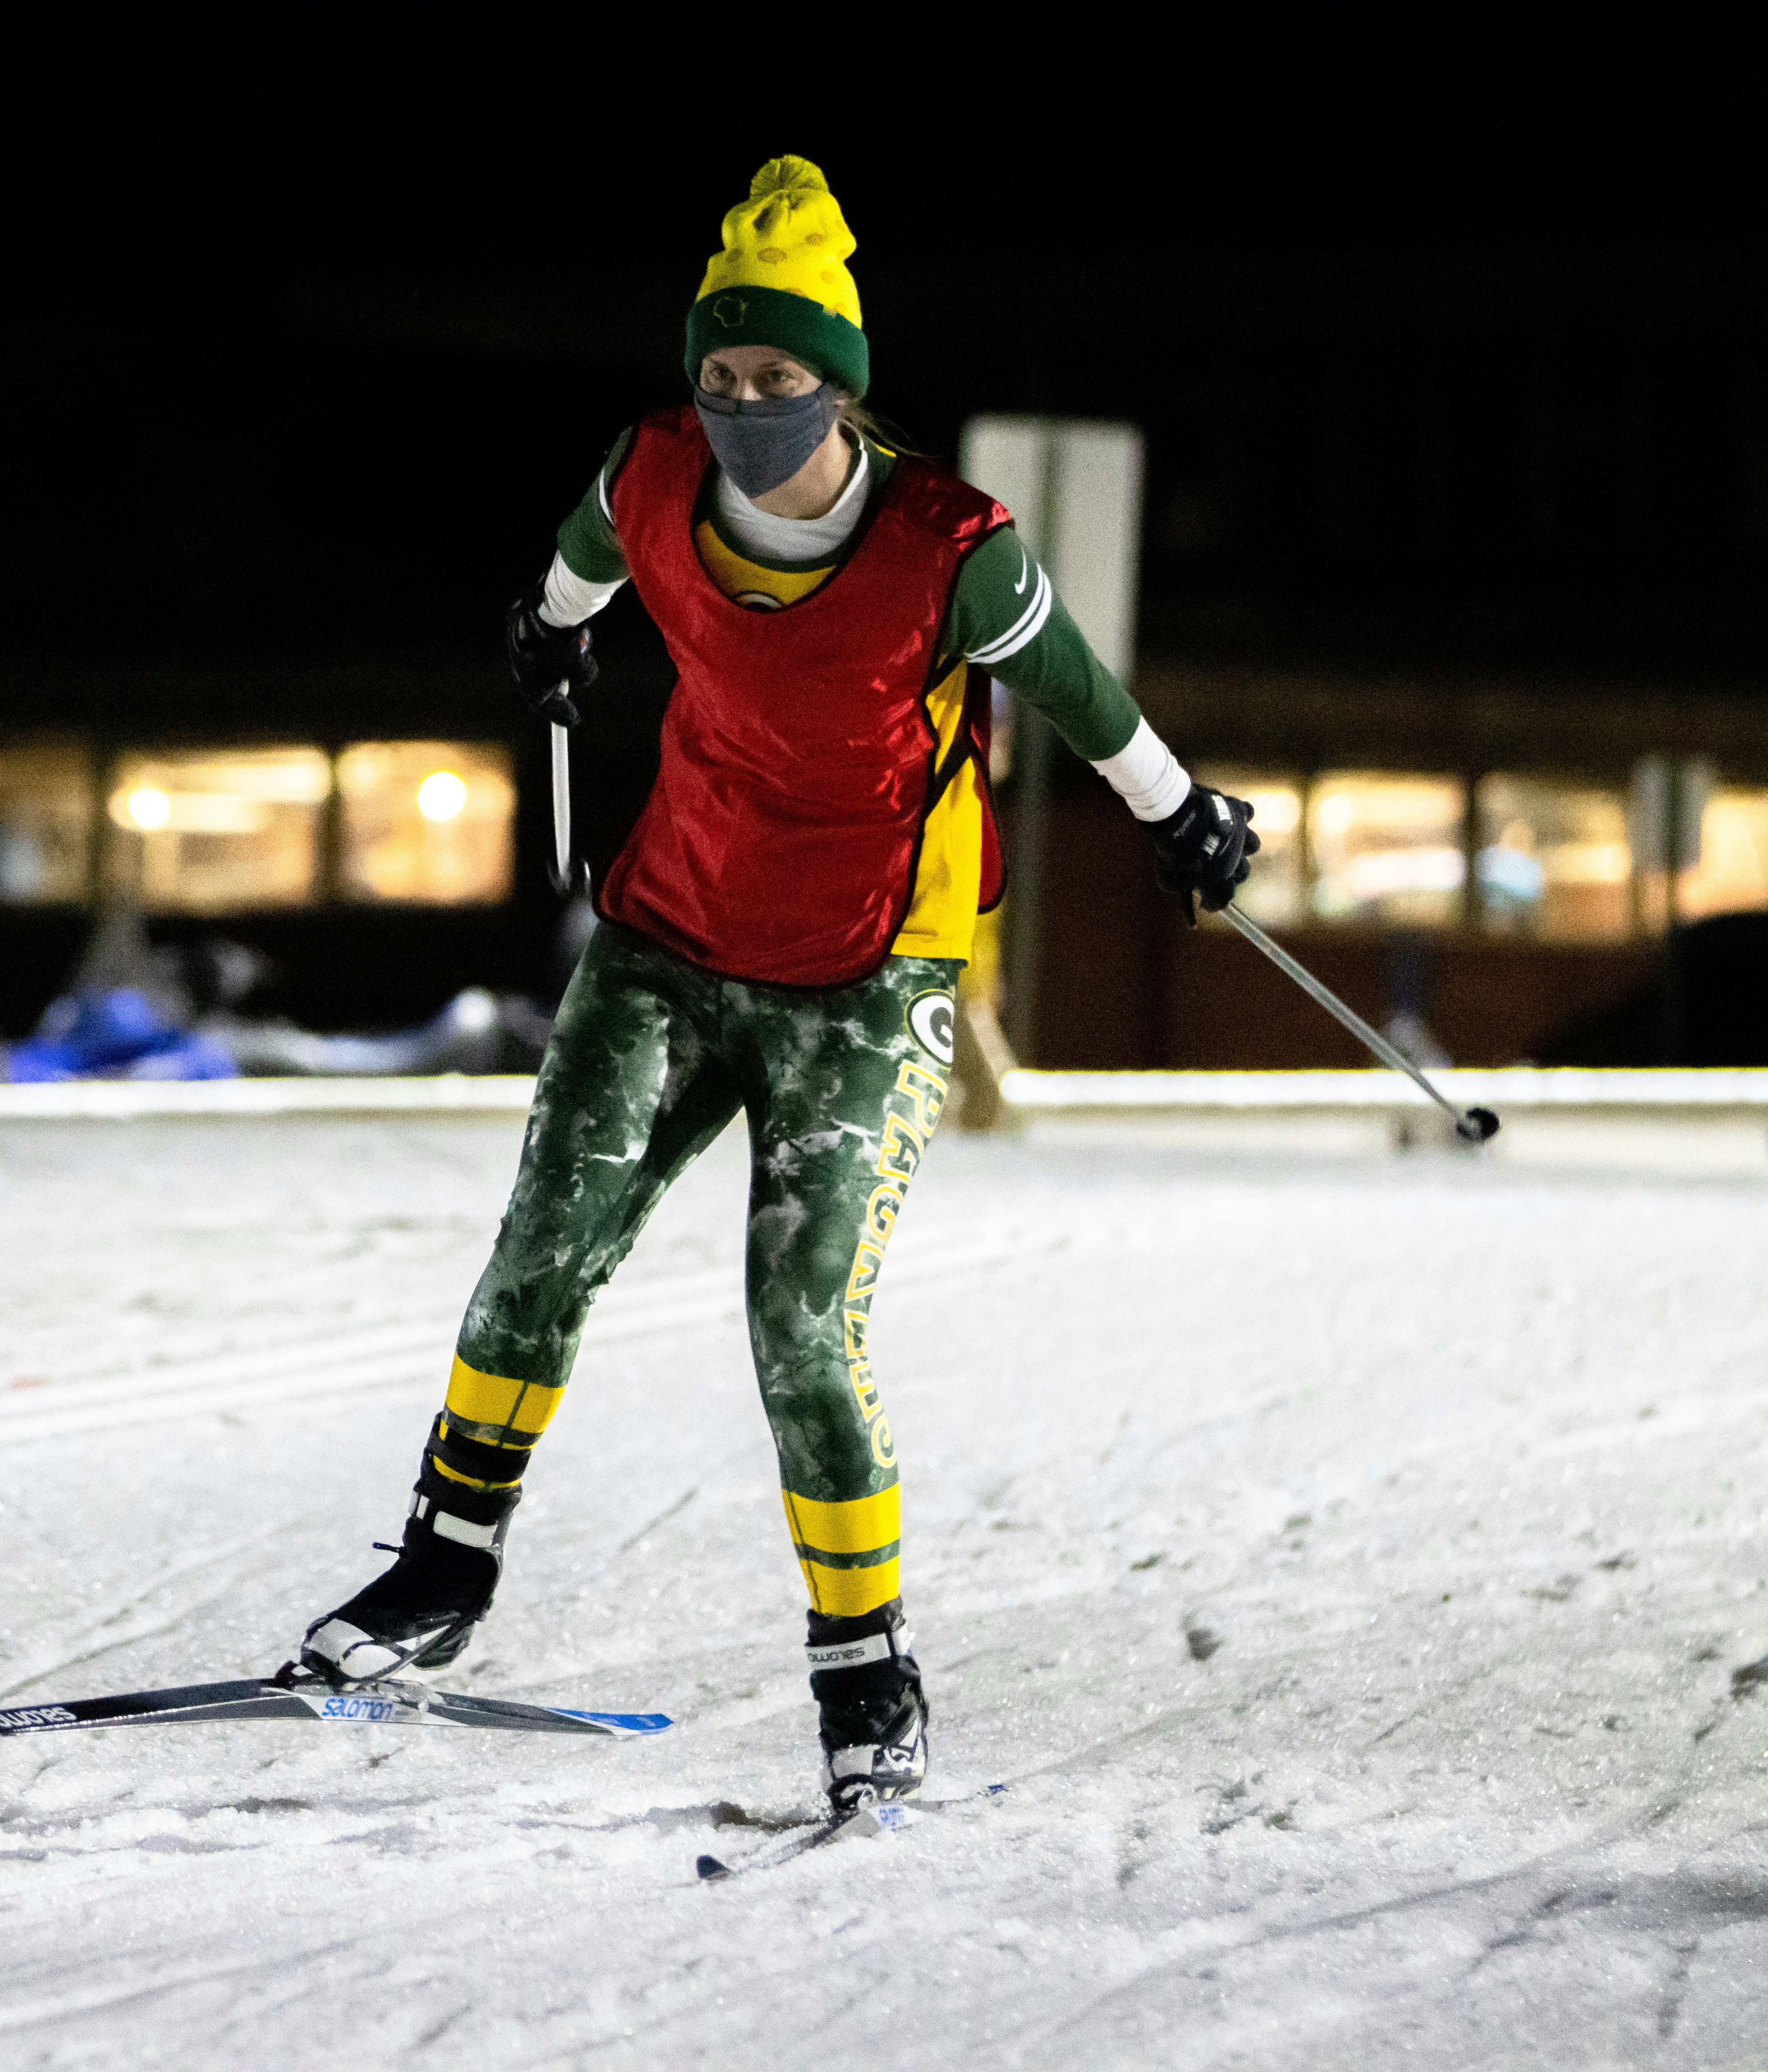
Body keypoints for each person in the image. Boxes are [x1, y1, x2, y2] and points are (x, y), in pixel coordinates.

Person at [293, 156, 1257, 1816]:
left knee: (802, 1322)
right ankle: (442, 1570)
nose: (746, 407)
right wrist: (549, 630)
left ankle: (867, 1667)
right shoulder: (654, 474)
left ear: (842, 388)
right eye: (723, 376)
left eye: (780, 377)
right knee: (543, 1248)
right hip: (673, 932)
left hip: (870, 971)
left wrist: (1183, 816)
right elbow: (581, 558)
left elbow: (1082, 694)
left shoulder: (949, 549)